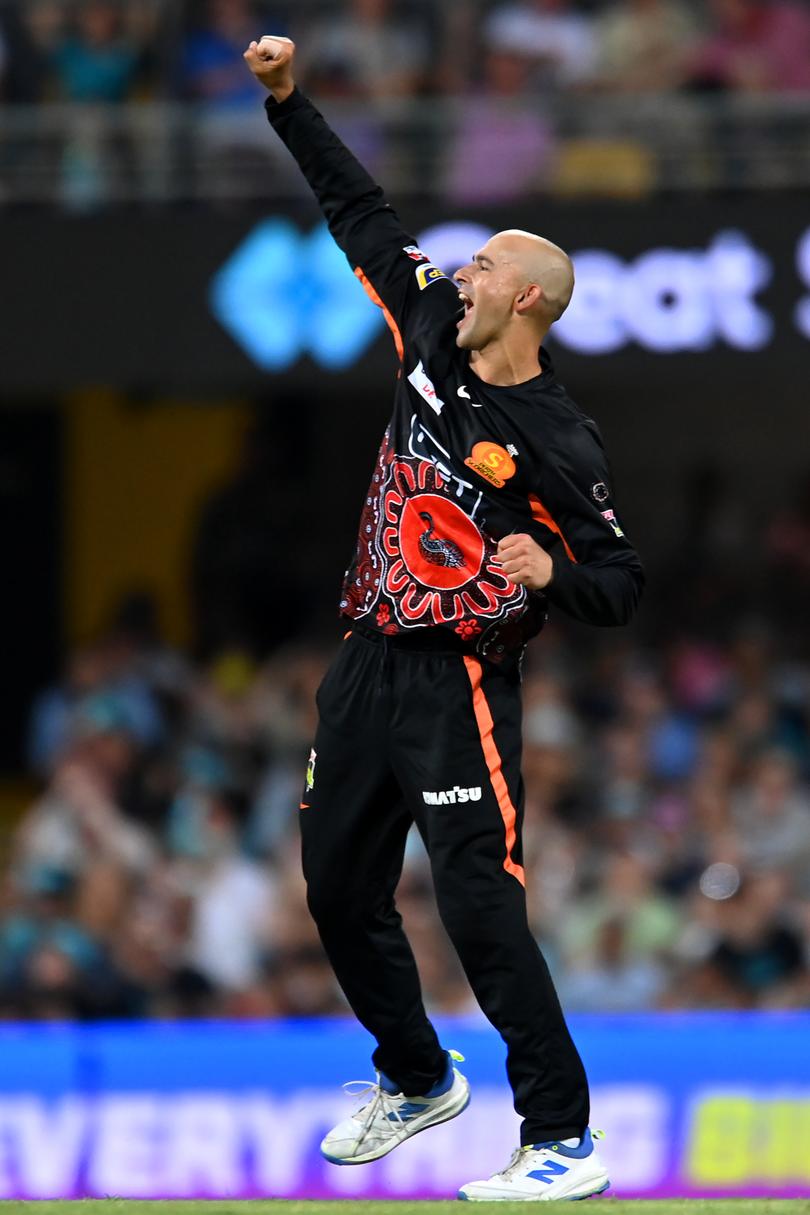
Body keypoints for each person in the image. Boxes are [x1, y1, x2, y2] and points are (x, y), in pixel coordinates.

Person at [244, 35, 644, 1203]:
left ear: (524, 298)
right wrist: (290, 103)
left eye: (477, 268)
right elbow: (359, 211)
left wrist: (546, 575)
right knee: (334, 887)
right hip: (367, 658)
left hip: (459, 680)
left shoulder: (560, 443)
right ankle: (417, 1078)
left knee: (476, 906)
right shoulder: (430, 330)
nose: (452, 276)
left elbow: (619, 584)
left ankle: (562, 1139)